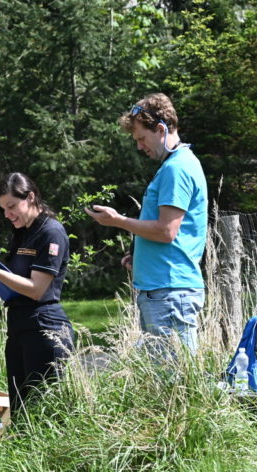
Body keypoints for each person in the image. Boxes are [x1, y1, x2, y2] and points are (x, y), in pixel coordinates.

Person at [85, 93, 208, 353]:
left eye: (142, 138)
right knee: (166, 383)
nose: (140, 147)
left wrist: (118, 221)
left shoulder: (177, 169)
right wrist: (140, 254)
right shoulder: (175, 166)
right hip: (164, 290)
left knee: (174, 385)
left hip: (170, 291)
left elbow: (166, 231)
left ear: (161, 129)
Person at [0, 172, 73, 410]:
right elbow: (14, 277)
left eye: (12, 206)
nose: (7, 214)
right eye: (3, 208)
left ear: (30, 197)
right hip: (18, 324)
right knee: (20, 409)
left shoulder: (50, 232)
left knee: (43, 410)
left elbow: (36, 289)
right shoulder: (22, 232)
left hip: (44, 327)